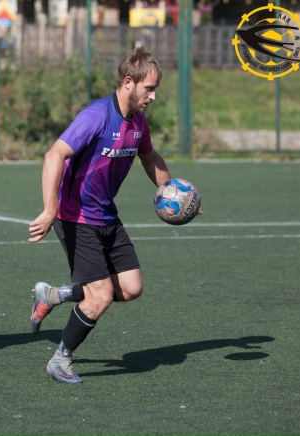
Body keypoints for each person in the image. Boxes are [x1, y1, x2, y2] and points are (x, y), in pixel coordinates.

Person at [28, 47, 200, 383]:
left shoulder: (138, 122)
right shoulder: (95, 116)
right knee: (101, 295)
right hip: (75, 216)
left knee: (131, 288)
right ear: (128, 82)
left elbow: (150, 157)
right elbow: (53, 155)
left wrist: (177, 196)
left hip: (106, 215)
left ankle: (55, 295)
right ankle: (60, 359)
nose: (153, 96)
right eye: (149, 88)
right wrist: (50, 210)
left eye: (155, 90)